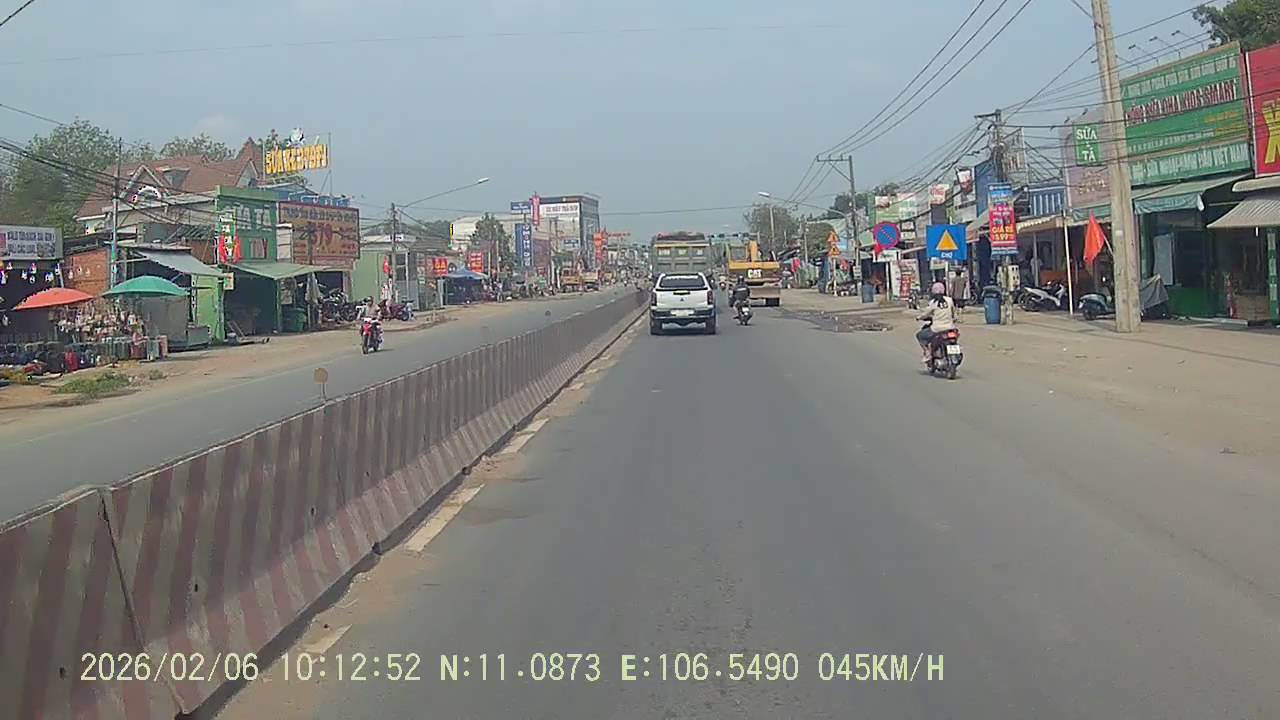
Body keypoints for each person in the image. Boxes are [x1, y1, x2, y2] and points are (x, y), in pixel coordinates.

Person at [916, 281, 957, 364]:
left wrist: (919, 317)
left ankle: (927, 353)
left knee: (919, 336)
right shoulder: (949, 300)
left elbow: (926, 314)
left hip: (937, 329)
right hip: (950, 327)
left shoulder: (933, 303)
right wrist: (954, 318)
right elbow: (954, 313)